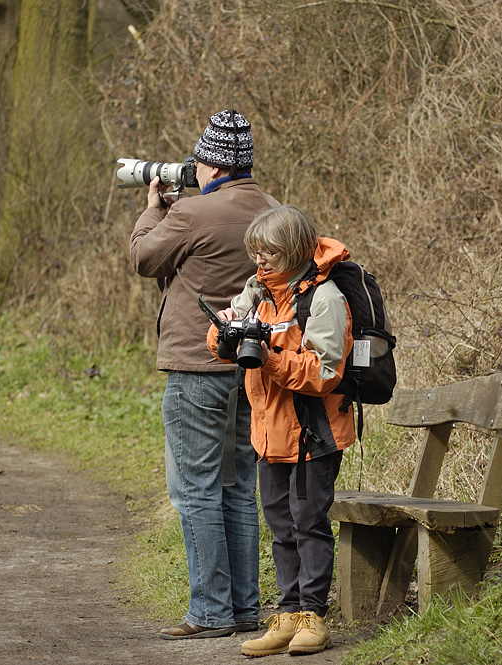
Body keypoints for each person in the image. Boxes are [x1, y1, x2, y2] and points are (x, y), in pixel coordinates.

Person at [129, 109, 278, 640]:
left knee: (195, 489)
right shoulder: (275, 213)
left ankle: (209, 612)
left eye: (200, 161)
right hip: (255, 368)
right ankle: (242, 610)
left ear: (213, 164)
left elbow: (145, 258)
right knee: (238, 488)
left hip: (198, 366)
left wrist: (153, 211)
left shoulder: (193, 212)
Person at [207, 204, 355, 656]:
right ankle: (288, 616)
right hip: (269, 432)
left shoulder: (324, 299)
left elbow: (326, 373)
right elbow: (221, 337)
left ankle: (314, 617)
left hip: (313, 434)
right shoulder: (257, 294)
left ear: (292, 251)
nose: (260, 261)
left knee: (308, 523)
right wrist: (224, 336)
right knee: (279, 525)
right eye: (256, 252)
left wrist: (268, 358)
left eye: (268, 252)